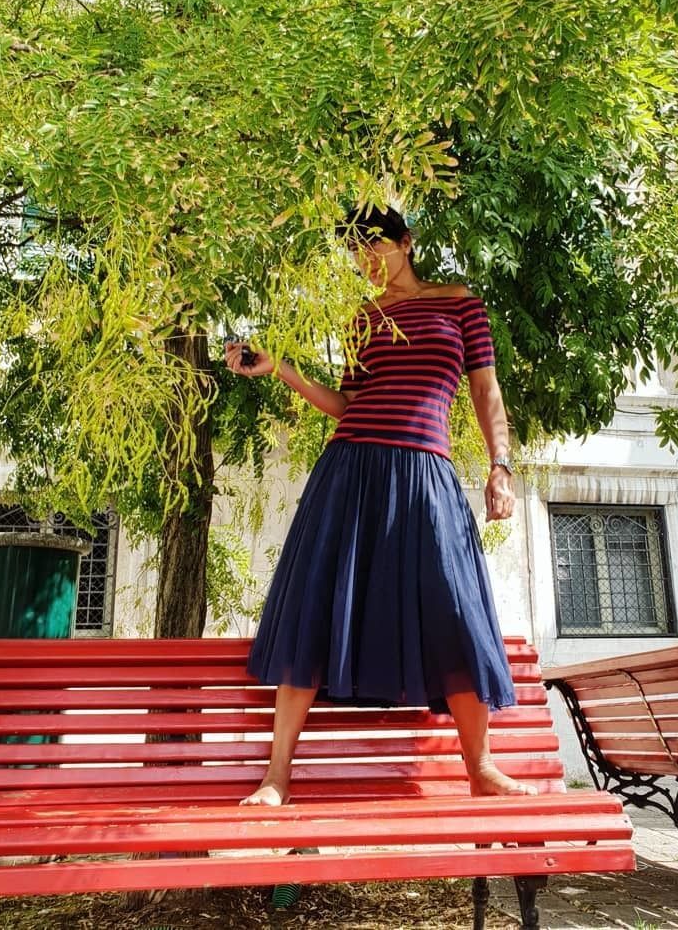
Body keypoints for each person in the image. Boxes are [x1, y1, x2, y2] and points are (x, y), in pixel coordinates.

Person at [224, 202, 533, 807]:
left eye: (374, 244)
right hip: (350, 470)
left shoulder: (459, 304)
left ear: (406, 241)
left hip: (425, 472)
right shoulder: (361, 319)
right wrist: (282, 369)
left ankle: (481, 769)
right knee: (313, 608)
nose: (365, 258)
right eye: (355, 250)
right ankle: (276, 777)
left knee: (457, 608)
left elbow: (485, 389)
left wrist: (501, 466)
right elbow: (348, 402)